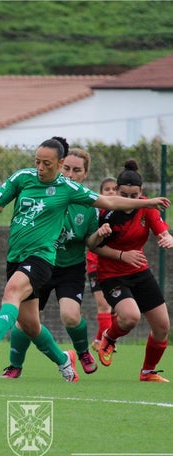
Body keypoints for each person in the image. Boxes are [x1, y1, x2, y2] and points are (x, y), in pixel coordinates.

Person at [0, 137, 169, 382]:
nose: (40, 168)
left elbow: (110, 201)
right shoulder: (22, 178)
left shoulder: (69, 189)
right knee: (30, 325)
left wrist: (147, 202)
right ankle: (64, 360)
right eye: (37, 162)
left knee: (13, 291)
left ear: (59, 162)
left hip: (42, 257)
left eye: (47, 164)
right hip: (16, 256)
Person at [0, 147, 99, 379]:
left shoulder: (86, 204)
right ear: (59, 166)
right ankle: (15, 365)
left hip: (69, 268)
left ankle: (82, 351)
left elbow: (91, 243)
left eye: (77, 170)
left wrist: (100, 235)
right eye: (67, 168)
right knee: (26, 322)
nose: (70, 174)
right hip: (41, 262)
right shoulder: (46, 191)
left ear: (85, 174)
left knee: (71, 315)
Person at [87, 160, 172, 382]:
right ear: (116, 191)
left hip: (139, 271)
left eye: (135, 196)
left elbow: (162, 231)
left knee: (162, 327)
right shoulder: (105, 211)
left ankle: (147, 372)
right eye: (125, 194)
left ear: (141, 193)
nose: (131, 201)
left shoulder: (147, 207)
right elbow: (93, 246)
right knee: (130, 317)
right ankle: (109, 337)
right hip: (111, 275)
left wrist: (167, 237)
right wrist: (120, 253)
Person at [87, 176, 118, 351]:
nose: (111, 192)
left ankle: (99, 340)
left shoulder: (121, 213)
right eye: (107, 189)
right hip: (95, 262)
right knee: (104, 305)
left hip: (114, 264)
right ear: (101, 193)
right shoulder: (96, 212)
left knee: (116, 309)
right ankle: (107, 343)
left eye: (114, 189)